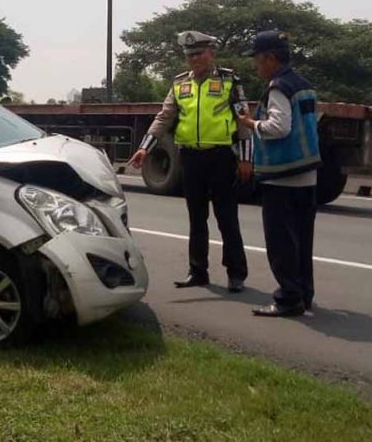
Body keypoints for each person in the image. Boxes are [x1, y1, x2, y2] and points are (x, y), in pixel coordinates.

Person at [129, 31, 253, 291]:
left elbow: (243, 123)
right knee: (197, 218)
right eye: (189, 55)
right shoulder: (179, 84)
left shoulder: (229, 80)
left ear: (211, 53)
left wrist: (245, 158)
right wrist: (144, 148)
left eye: (198, 53)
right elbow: (164, 118)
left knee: (226, 217)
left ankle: (236, 273)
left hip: (221, 157)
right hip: (190, 156)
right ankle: (198, 271)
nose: (194, 59)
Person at [236, 30, 321, 317]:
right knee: (301, 240)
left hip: (282, 175)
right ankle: (304, 294)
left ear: (271, 58)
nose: (256, 66)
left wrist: (251, 123)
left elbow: (279, 127)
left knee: (281, 242)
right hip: (307, 174)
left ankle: (287, 299)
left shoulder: (278, 86)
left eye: (258, 60)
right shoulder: (303, 84)